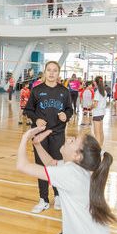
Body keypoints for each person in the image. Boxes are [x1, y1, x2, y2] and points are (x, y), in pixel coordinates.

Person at [23, 61, 73, 213]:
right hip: (40, 135)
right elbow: (28, 110)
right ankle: (43, 199)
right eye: (49, 70)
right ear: (45, 72)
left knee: (58, 165)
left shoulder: (64, 91)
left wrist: (66, 115)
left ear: (59, 73)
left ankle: (58, 196)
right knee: (41, 166)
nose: (51, 73)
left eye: (55, 70)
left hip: (57, 134)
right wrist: (35, 119)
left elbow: (70, 110)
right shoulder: (37, 90)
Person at [91, 77, 107, 146]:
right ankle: (100, 147)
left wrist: (90, 106)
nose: (93, 82)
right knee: (101, 131)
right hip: (102, 113)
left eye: (94, 81)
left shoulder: (97, 92)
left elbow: (95, 104)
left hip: (97, 113)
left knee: (96, 133)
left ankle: (98, 150)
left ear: (96, 82)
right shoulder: (104, 91)